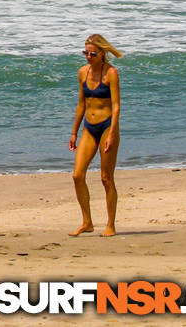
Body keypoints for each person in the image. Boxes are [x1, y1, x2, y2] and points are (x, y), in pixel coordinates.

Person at [68, 34, 122, 237]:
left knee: (106, 178)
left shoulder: (111, 73)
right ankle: (87, 222)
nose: (88, 57)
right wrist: (74, 132)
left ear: (102, 53)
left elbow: (116, 106)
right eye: (85, 53)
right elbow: (81, 104)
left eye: (92, 53)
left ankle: (110, 225)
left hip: (107, 127)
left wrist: (112, 134)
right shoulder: (82, 73)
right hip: (89, 128)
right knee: (77, 175)